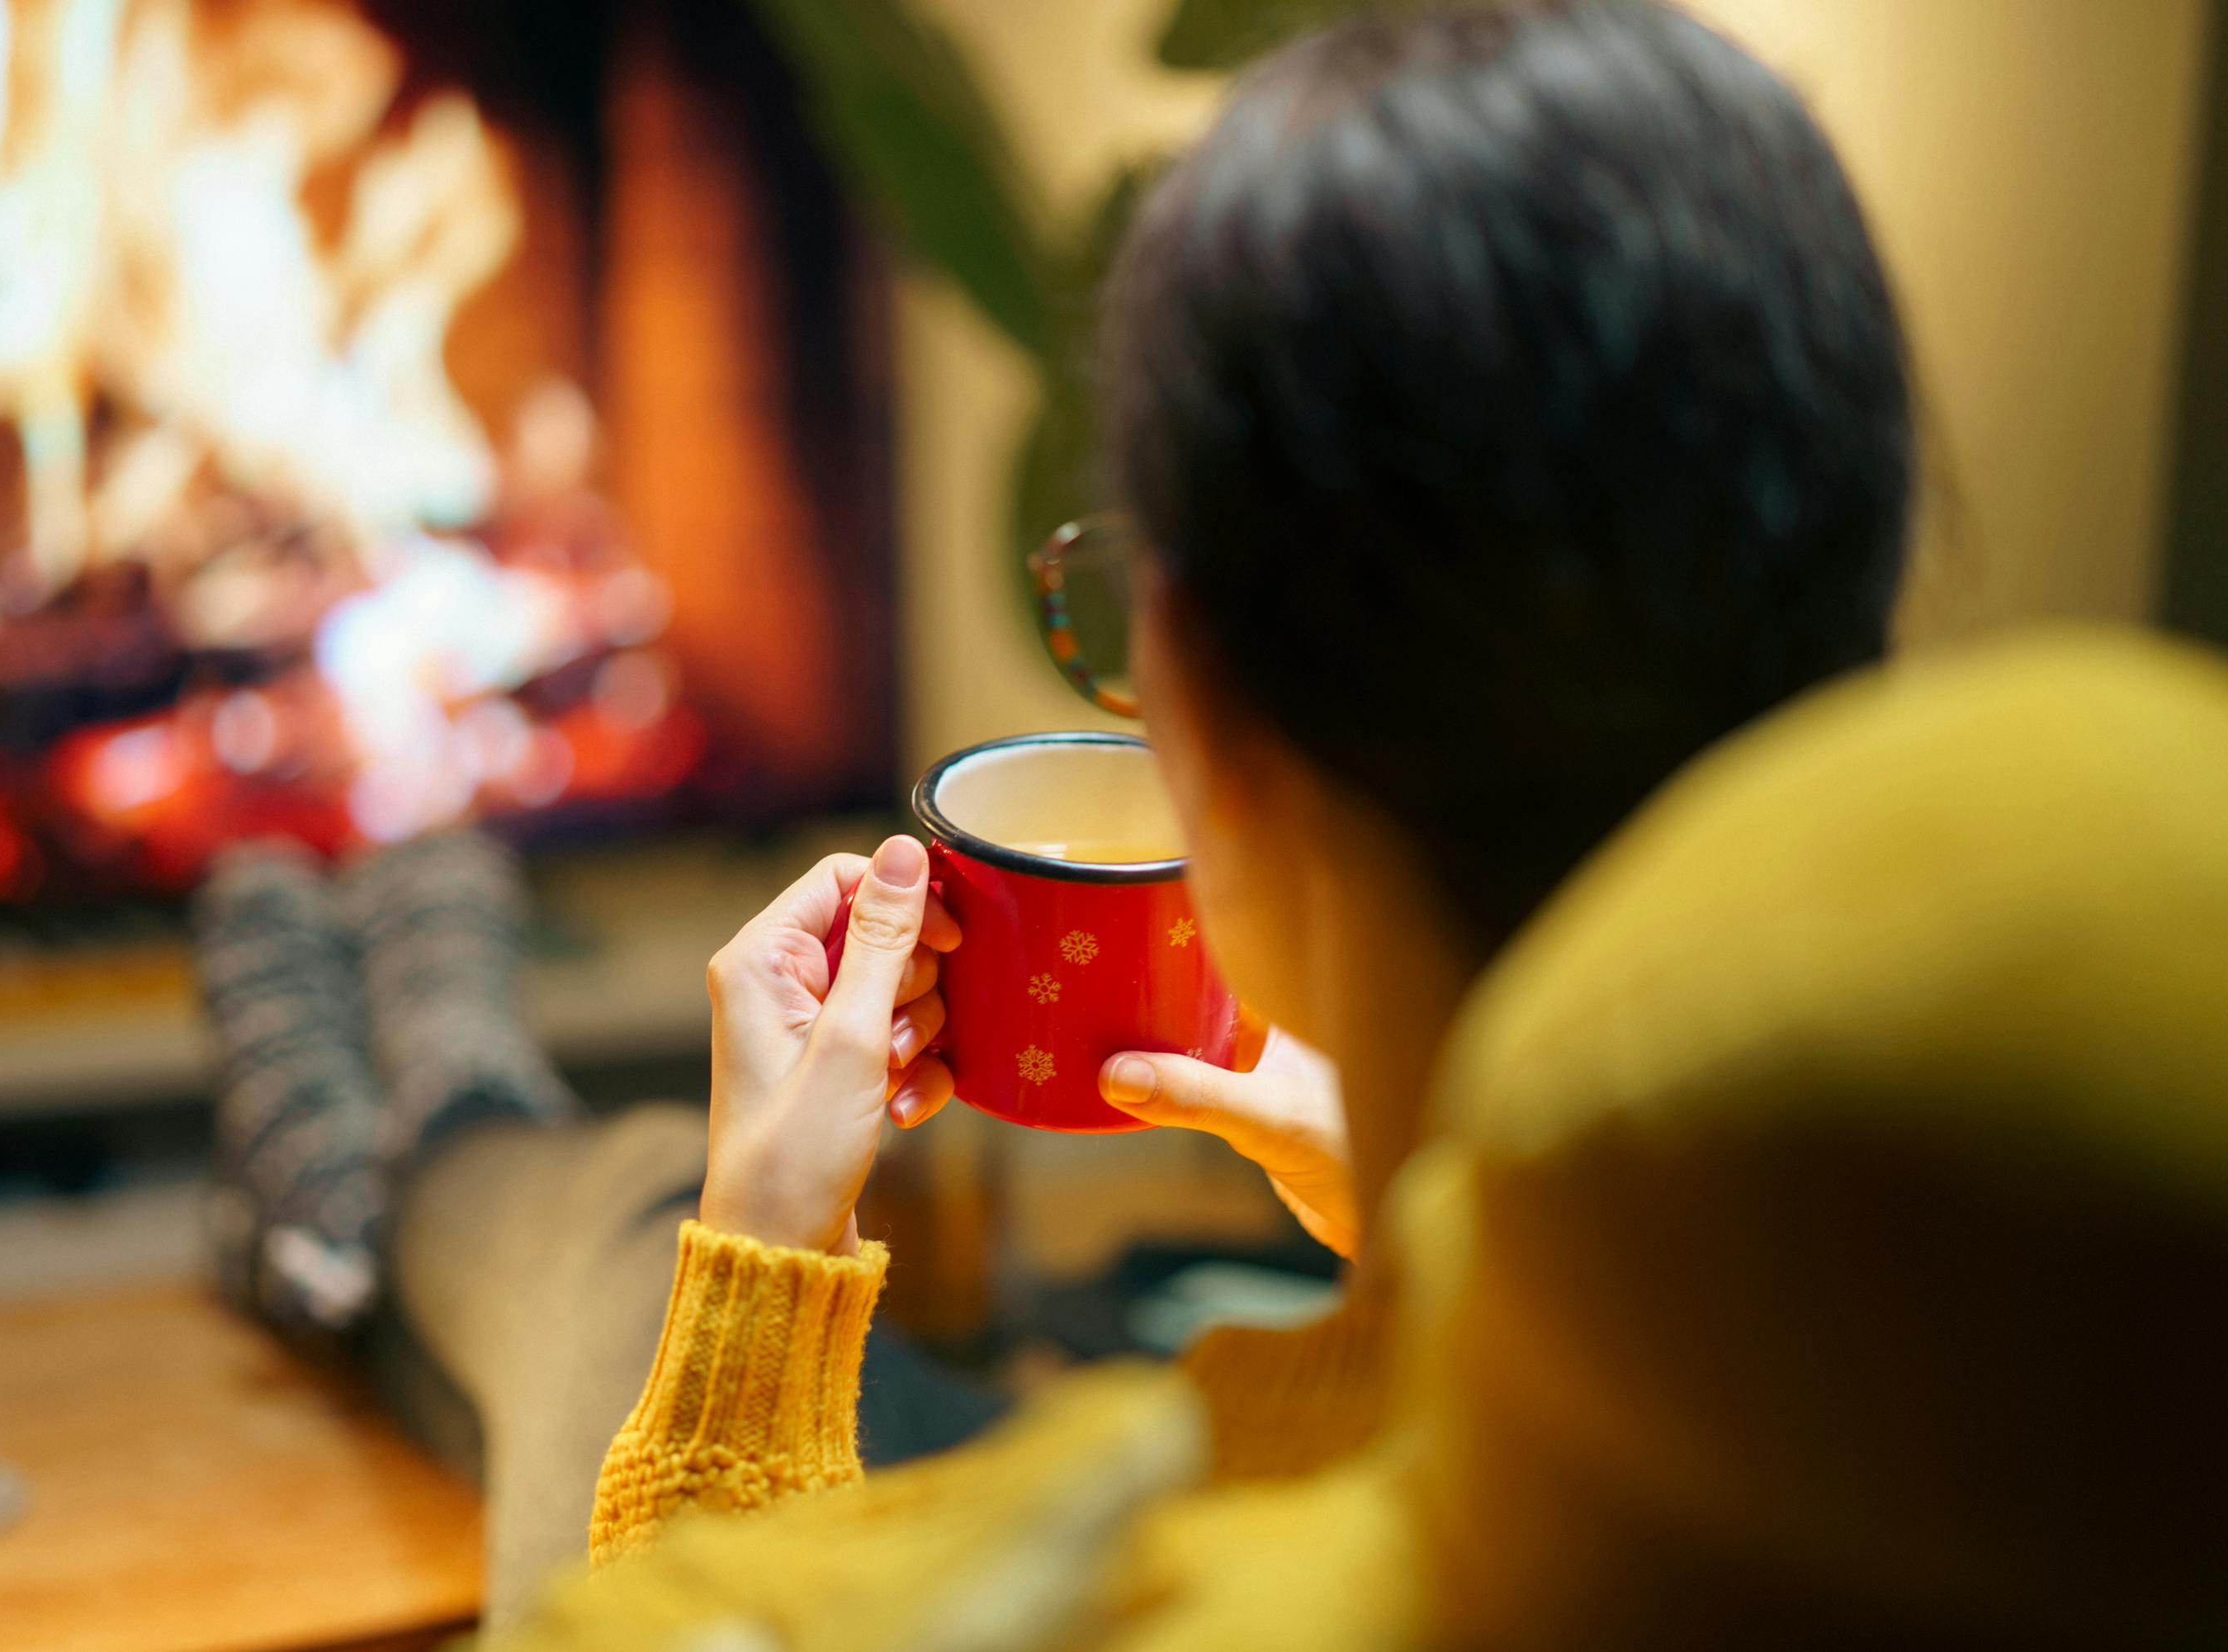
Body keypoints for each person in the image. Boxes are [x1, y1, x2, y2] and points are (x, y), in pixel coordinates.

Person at [199, 0, 1931, 1635]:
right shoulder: (1963, 1348)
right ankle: (371, 1156)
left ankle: (388, 1133)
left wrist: (768, 1253)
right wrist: (1418, 1213)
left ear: (1203, 689)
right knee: (612, 1242)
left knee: (632, 1231)